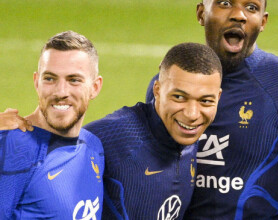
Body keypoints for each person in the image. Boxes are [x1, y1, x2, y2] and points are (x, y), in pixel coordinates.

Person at [146, 0, 278, 219]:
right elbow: (152, 175)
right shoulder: (166, 85)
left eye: (251, 8)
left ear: (262, 22)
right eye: (225, 2)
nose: (238, 15)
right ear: (201, 13)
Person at [85, 42, 222, 219]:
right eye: (179, 97)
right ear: (157, 90)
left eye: (205, 101)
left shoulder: (188, 138)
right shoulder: (108, 139)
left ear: (218, 97)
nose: (192, 114)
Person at [0, 31, 105, 219]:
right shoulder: (13, 148)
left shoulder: (93, 146)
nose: (61, 91)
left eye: (74, 80)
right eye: (50, 78)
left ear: (95, 87)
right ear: (36, 82)